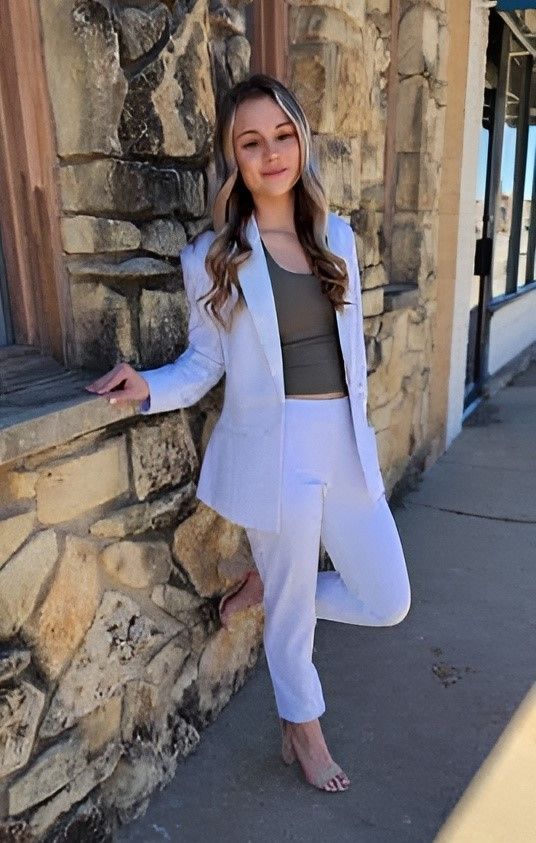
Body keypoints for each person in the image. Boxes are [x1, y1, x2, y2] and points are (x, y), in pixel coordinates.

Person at [86, 73, 411, 794]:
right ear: (232, 158)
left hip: (345, 444)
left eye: (283, 136)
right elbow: (204, 364)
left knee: (389, 597)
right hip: (278, 451)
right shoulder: (212, 256)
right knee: (294, 623)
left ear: (303, 140)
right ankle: (304, 727)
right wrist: (148, 389)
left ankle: (272, 584)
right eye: (251, 142)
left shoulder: (338, 238)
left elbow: (351, 357)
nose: (271, 154)